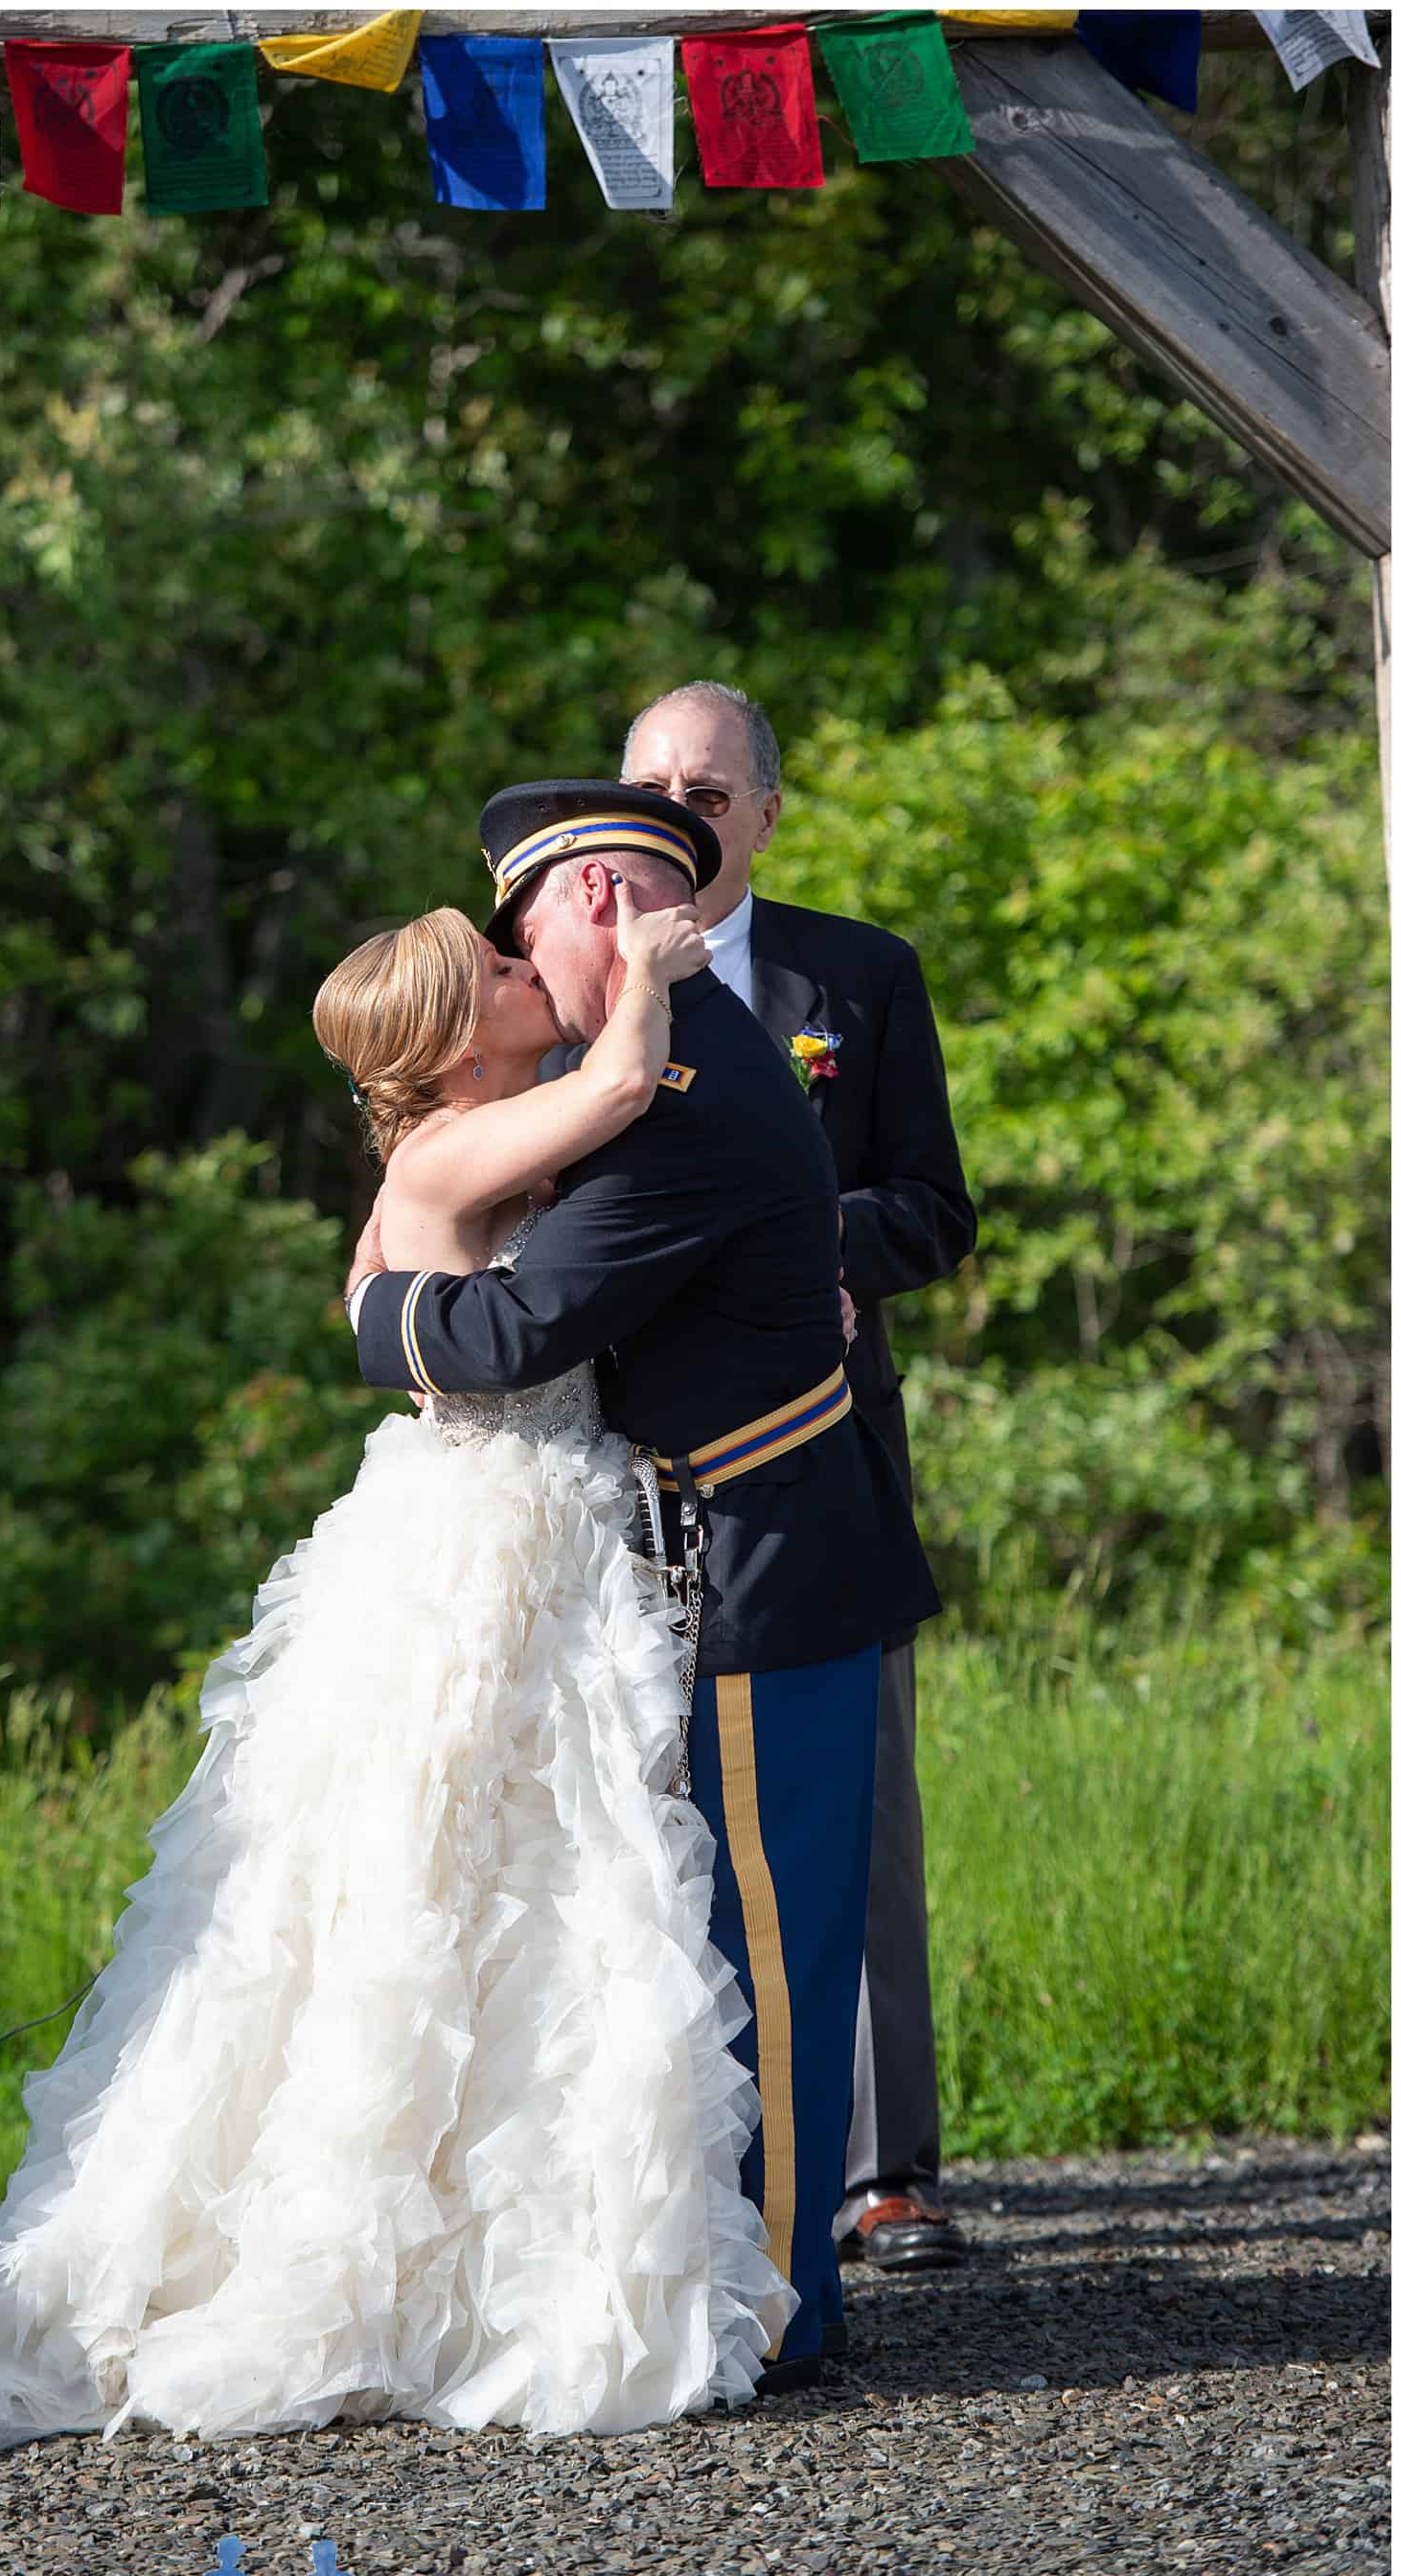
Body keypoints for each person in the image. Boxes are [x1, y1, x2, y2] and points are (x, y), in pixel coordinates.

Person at [0, 887, 796, 2450]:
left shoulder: (459, 1146)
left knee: (525, 1885)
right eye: (490, 966)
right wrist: (665, 969)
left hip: (528, 1524)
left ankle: (487, 2244)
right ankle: (373, 2262)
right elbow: (619, 1091)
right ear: (447, 1031)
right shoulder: (450, 1149)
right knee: (441, 1880)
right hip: (485, 1539)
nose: (516, 960)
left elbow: (413, 1283)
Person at [347, 780, 942, 2388]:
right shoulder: (657, 1078)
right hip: (729, 1562)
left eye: (520, 923)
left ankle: (781, 2305)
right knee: (724, 1948)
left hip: (763, 1573)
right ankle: (739, 2279)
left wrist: (368, 1313)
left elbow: (510, 1336)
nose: (511, 953)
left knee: (773, 1957)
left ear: (593, 902)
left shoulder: (671, 1098)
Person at [619, 682, 977, 2276]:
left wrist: (806, 1252)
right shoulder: (566, 971)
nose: (677, 811)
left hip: (823, 1455)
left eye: (707, 786)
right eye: (648, 784)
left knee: (854, 1812)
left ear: (768, 811)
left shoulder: (859, 978)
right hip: (626, 1461)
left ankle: (876, 2168)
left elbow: (933, 1208)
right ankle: (663, 2162)